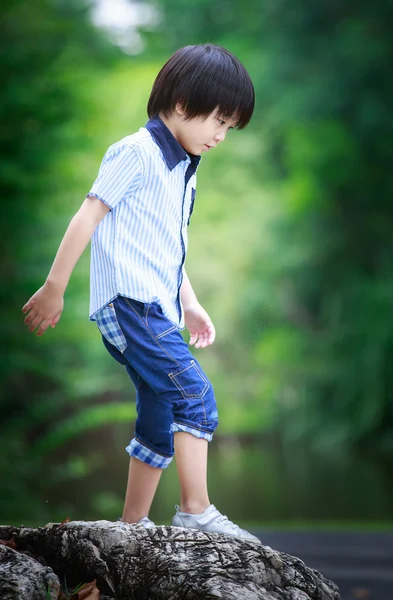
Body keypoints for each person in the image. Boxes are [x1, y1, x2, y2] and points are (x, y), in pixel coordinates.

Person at [22, 44, 260, 544]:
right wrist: (53, 287)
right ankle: (196, 510)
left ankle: (130, 526)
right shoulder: (136, 152)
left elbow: (166, 247)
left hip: (156, 306)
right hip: (130, 305)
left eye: (230, 127)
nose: (221, 135)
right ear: (179, 103)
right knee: (194, 394)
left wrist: (189, 302)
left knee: (158, 410)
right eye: (218, 120)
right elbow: (88, 214)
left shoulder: (183, 171)